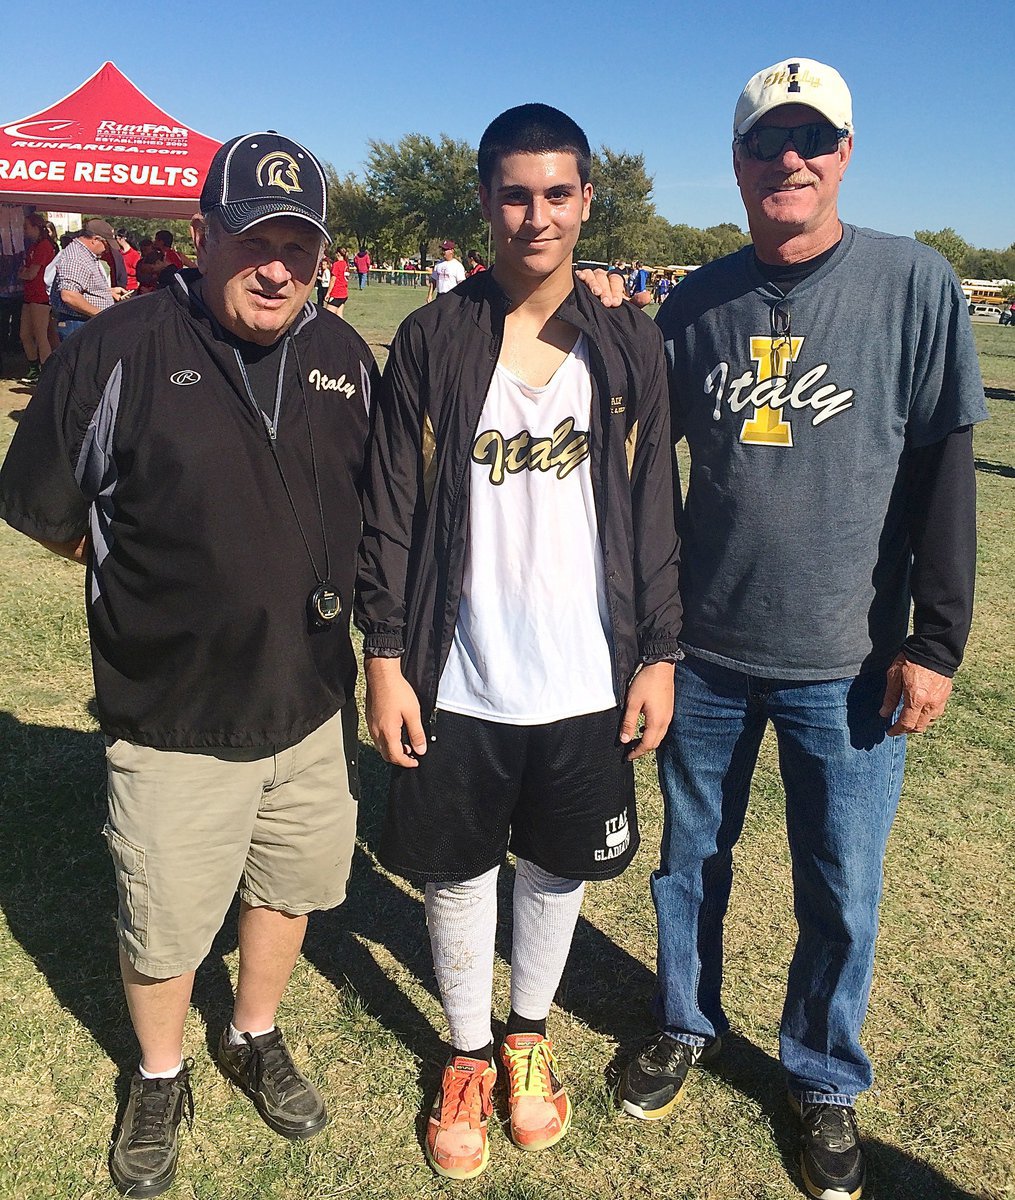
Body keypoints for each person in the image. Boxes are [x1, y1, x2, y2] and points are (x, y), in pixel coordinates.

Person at [589, 58, 988, 1200]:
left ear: (845, 155)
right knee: (687, 864)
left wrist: (937, 638)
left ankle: (821, 1078)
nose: (790, 161)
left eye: (813, 140)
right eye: (768, 143)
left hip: (850, 660)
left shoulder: (914, 283)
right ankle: (684, 1019)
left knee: (839, 884)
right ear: (738, 162)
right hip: (705, 650)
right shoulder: (698, 298)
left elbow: (946, 467)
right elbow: (642, 457)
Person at [0, 130, 378, 1198]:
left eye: (296, 247)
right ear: (203, 235)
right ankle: (161, 1072)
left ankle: (252, 1033)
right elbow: (42, 510)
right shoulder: (113, 348)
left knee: (289, 886)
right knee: (164, 919)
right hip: (172, 716)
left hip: (309, 704)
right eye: (252, 239)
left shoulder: (344, 356)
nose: (275, 267)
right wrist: (156, 591)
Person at [355, 102, 680, 1182]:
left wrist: (659, 654)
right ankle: (464, 1056)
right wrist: (386, 655)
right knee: (452, 876)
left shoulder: (628, 339)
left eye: (556, 193)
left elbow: (652, 511)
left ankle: (527, 1044)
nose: (534, 216)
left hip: (587, 677)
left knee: (551, 871)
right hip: (462, 676)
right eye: (513, 193)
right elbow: (392, 510)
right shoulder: (436, 339)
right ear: (483, 202)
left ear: (587, 201)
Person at [49, 218, 127, 341]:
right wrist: (101, 314)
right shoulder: (76, 258)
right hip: (78, 324)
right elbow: (69, 295)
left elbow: (82, 286)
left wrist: (107, 292)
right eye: (106, 244)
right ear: (95, 240)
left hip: (83, 322)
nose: (107, 249)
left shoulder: (84, 255)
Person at [17, 213, 57, 383]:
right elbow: (26, 271)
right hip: (29, 295)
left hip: (40, 296)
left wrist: (24, 274)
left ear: (35, 227)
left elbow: (31, 273)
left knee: (41, 335)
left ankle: (46, 372)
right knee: (24, 334)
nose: (24, 230)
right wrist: (25, 273)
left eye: (26, 227)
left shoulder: (44, 246)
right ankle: (34, 367)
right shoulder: (34, 246)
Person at [324, 247, 350, 317]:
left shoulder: (337, 264)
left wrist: (328, 293)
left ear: (338, 254)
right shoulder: (346, 264)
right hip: (344, 293)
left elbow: (333, 280)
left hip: (336, 293)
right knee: (339, 316)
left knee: (328, 317)